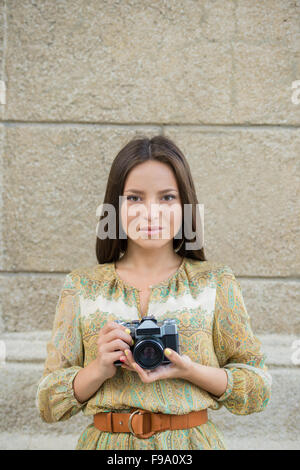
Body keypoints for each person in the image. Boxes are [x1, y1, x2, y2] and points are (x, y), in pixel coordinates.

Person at [36, 135, 271, 450]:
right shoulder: (82, 286)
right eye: (134, 198)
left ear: (185, 205)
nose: (151, 212)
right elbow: (49, 404)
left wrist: (191, 370)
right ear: (114, 206)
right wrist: (98, 369)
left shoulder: (215, 282)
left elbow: (258, 391)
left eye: (167, 197)